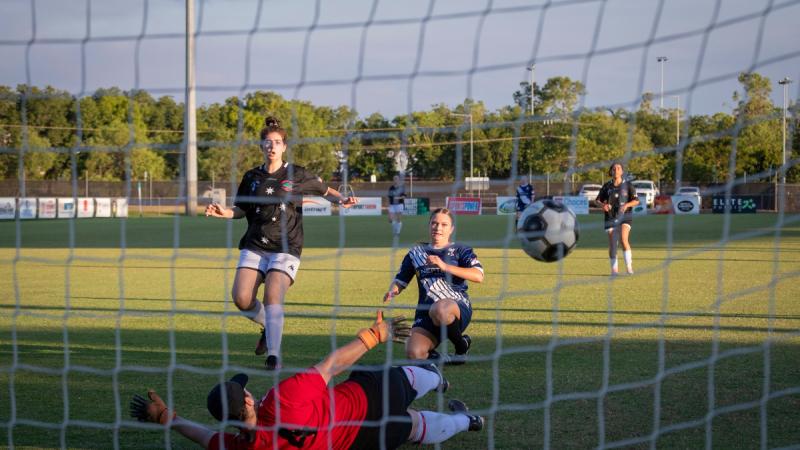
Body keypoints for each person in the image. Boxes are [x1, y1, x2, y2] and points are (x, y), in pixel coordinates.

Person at [129, 312, 485, 449]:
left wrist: (168, 419)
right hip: (366, 396)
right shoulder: (284, 397)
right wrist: (373, 337)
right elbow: (332, 365)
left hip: (364, 437)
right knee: (412, 376)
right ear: (248, 400)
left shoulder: (245, 447)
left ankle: (468, 421)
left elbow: (206, 437)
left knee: (416, 427)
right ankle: (436, 380)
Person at [205, 116, 357, 370]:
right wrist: (224, 212)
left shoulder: (296, 174)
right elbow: (240, 209)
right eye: (267, 142)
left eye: (277, 142)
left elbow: (325, 190)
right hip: (255, 244)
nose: (272, 146)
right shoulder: (251, 176)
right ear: (261, 147)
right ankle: (268, 326)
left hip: (286, 246)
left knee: (273, 294)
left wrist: (342, 199)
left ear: (284, 146)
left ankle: (273, 355)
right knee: (242, 299)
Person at [383, 208, 484, 365]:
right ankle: (447, 358)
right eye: (435, 223)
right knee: (414, 353)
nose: (438, 228)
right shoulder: (416, 252)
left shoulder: (461, 250)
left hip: (455, 307)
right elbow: (401, 279)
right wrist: (393, 290)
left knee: (441, 309)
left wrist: (444, 266)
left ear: (451, 229)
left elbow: (478, 275)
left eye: (444, 224)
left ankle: (460, 347)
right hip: (426, 311)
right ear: (429, 225)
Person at [595, 162, 640, 275]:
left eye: (618, 168)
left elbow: (636, 201)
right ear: (611, 171)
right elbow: (597, 201)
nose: (616, 170)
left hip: (625, 217)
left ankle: (629, 267)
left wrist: (626, 205)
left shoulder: (628, 185)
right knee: (613, 243)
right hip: (610, 217)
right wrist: (603, 206)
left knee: (623, 239)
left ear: (622, 172)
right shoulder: (606, 186)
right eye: (614, 168)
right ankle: (614, 270)